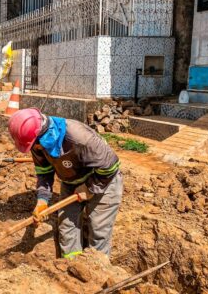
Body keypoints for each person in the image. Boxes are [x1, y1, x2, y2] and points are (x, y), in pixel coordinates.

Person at [8, 108, 122, 259]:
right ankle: (71, 266)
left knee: (98, 229)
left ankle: (97, 272)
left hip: (103, 180)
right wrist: (42, 200)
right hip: (71, 182)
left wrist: (89, 187)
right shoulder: (38, 144)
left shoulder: (79, 137)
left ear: (41, 136)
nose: (35, 149)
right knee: (67, 227)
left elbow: (111, 166)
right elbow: (44, 172)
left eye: (34, 145)